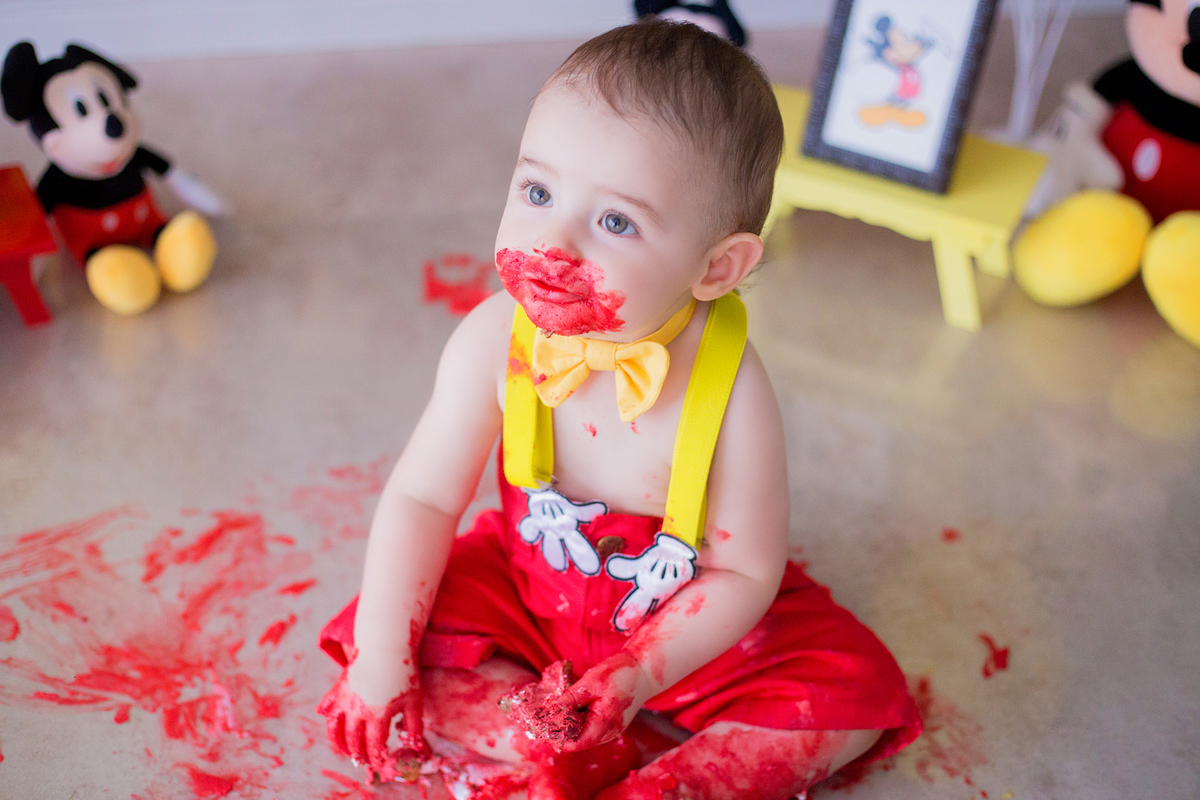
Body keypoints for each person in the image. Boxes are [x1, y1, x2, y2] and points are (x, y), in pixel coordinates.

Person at [317, 20, 921, 800]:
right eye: (537, 191)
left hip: (683, 628)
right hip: (528, 594)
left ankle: (665, 783)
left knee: (850, 698)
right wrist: (382, 663)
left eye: (615, 222)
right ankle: (552, 746)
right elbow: (425, 498)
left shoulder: (730, 387)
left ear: (717, 267)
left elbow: (743, 570)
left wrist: (638, 672)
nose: (552, 240)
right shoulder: (494, 339)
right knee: (384, 627)